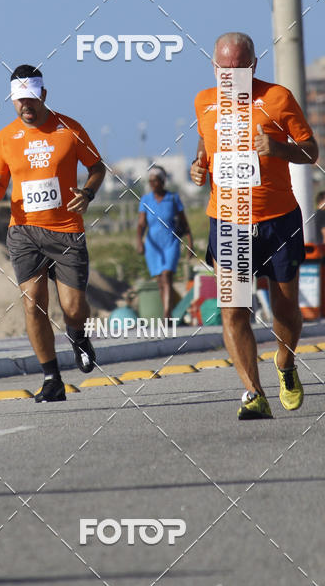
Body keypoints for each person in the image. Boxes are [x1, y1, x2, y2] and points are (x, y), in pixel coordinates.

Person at [191, 32, 318, 420]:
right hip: (228, 222)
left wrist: (278, 149)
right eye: (224, 71)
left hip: (278, 221)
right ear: (214, 67)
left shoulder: (278, 98)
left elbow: (311, 151)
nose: (230, 77)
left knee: (284, 308)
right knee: (233, 310)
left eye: (238, 70)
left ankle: (285, 363)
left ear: (253, 66)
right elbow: (204, 145)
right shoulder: (204, 101)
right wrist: (198, 167)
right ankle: (254, 393)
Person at [0, 65, 106, 402]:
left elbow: (97, 167)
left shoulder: (69, 128)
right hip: (23, 232)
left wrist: (89, 192)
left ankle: (78, 335)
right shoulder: (6, 137)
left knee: (73, 307)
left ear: (44, 95)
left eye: (31, 98)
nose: (25, 105)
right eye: (19, 100)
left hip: (66, 231)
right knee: (33, 302)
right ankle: (52, 377)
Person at [136, 166, 193, 318]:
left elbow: (184, 223)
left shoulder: (173, 198)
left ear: (162, 181)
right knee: (160, 280)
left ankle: (167, 314)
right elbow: (141, 224)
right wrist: (139, 242)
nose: (153, 184)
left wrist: (190, 244)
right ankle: (167, 310)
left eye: (156, 181)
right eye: (150, 181)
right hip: (153, 245)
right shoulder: (146, 200)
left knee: (167, 275)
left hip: (171, 242)